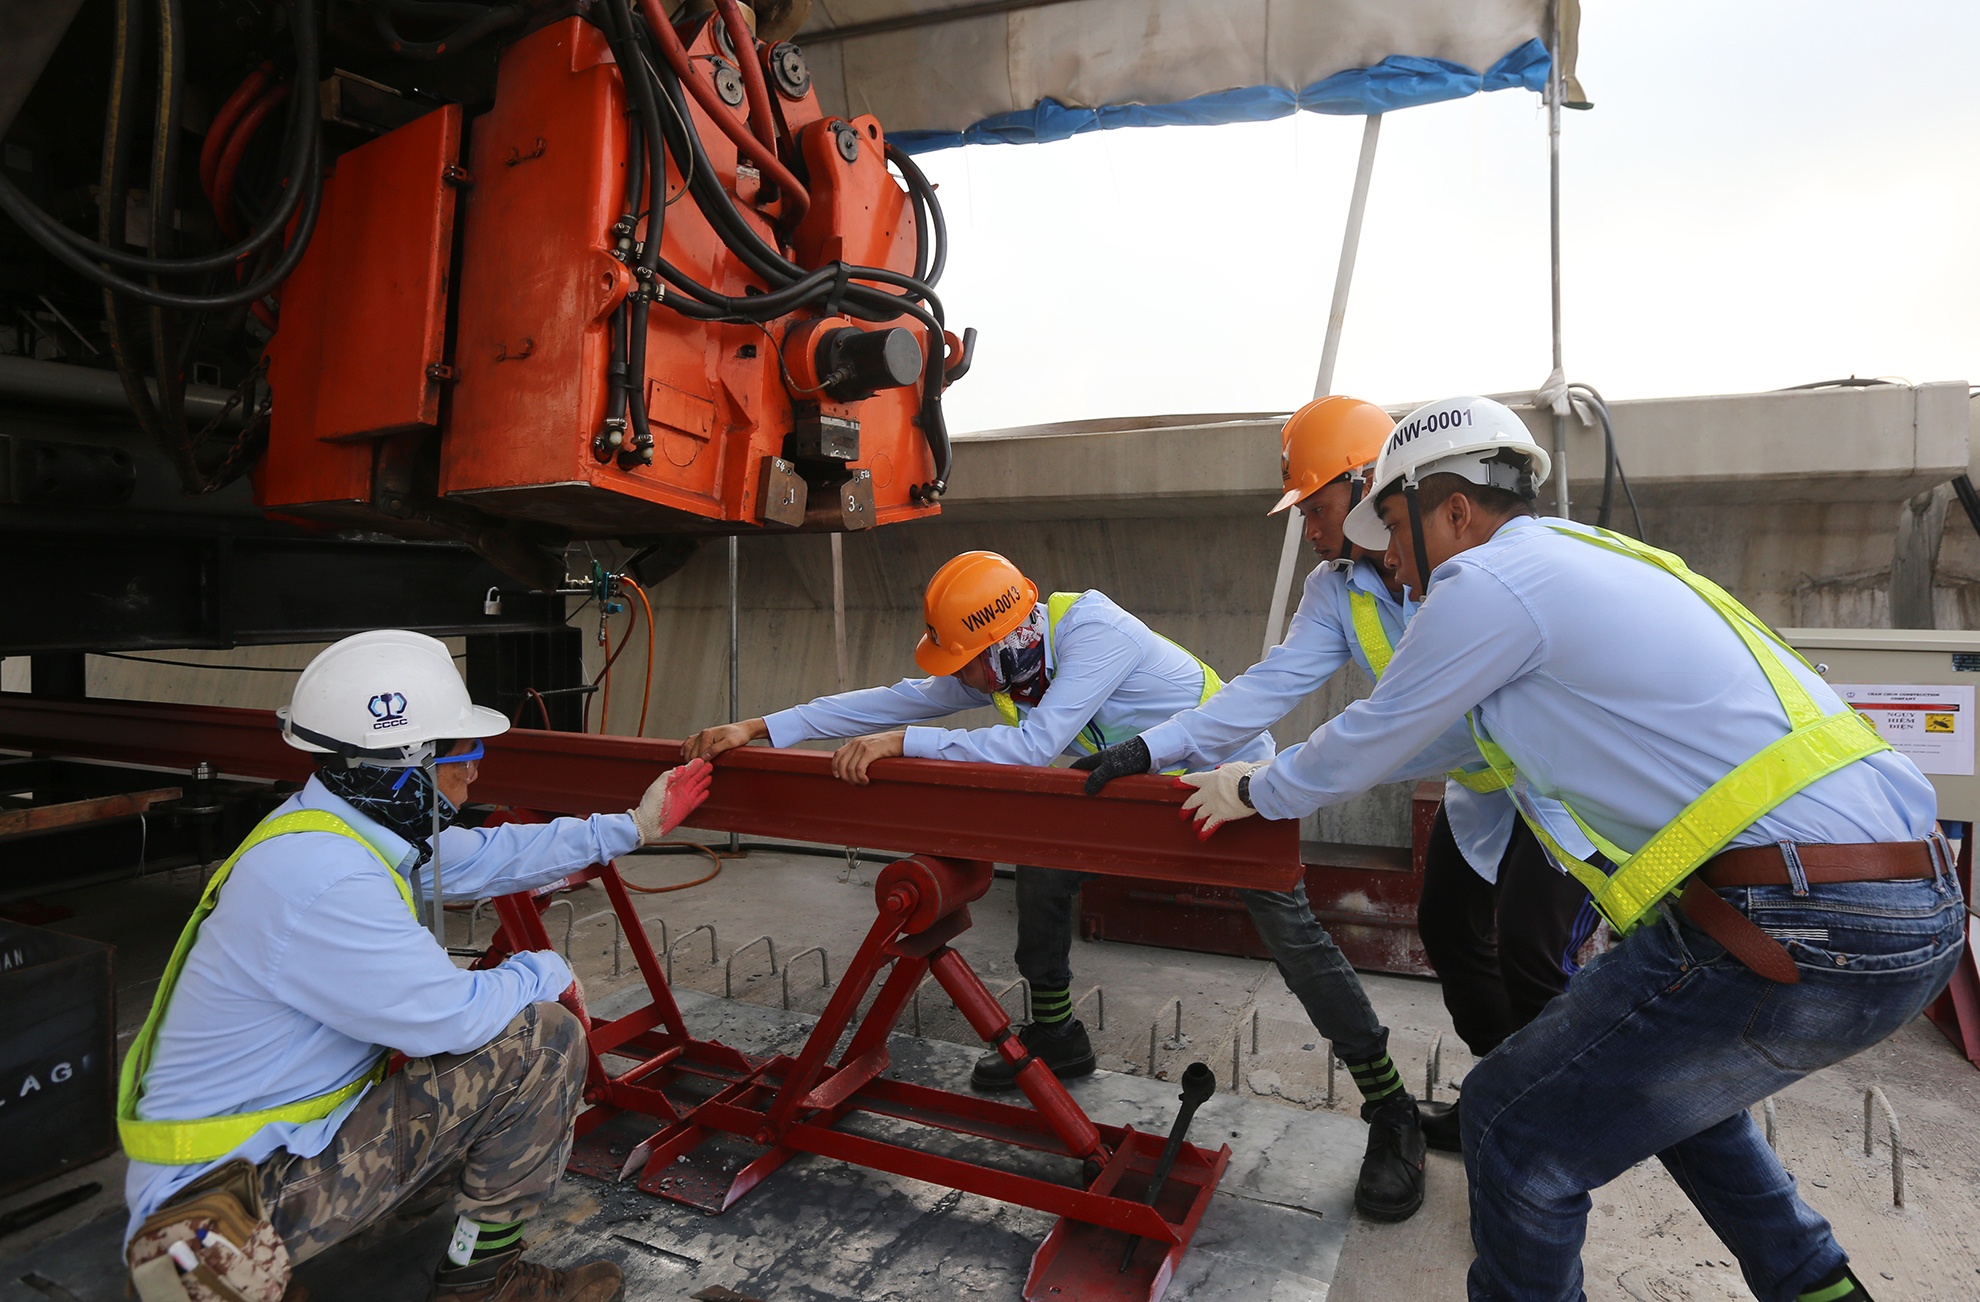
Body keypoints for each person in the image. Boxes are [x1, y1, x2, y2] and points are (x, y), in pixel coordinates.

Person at [1160, 395, 1960, 1302]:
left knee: (1511, 1124)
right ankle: (1816, 1286)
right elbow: (1444, 741)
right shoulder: (1589, 559)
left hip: (1801, 914)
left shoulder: (1486, 585)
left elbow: (1383, 728)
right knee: (1681, 1102)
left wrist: (1258, 787)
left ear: (1453, 510)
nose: (1387, 555)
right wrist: (1241, 764)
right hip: (1914, 901)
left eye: (1392, 523)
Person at [682, 545, 1431, 1221]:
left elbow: (1034, 744)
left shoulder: (1092, 633)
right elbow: (900, 697)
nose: (966, 679)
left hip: (1218, 782)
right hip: (1120, 782)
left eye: (972, 661)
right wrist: (765, 727)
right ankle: (1056, 1031)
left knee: (1292, 938)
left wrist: (907, 745)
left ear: (1008, 637)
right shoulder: (1009, 658)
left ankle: (1391, 1108)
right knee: (1043, 866)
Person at [119, 630, 714, 1302]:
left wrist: (634, 826)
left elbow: (491, 854)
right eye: (464, 752)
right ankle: (482, 1286)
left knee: (498, 1051)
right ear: (401, 766)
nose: (478, 768)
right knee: (540, 1039)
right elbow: (450, 1020)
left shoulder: (338, 827)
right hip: (212, 1207)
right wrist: (547, 971)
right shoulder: (324, 878)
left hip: (263, 1152)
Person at [1075, 396, 1598, 1154]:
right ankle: (1503, 1093)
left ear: (1373, 486)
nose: (1313, 530)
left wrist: (1279, 780)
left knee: (1531, 954)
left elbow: (1403, 731)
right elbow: (1270, 684)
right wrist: (1151, 749)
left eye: (1318, 508)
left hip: (1555, 789)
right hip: (1485, 792)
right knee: (1451, 932)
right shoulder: (1336, 593)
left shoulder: (1471, 575)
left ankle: (1552, 1135)